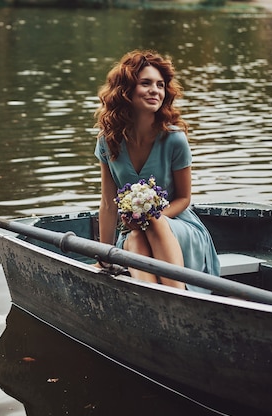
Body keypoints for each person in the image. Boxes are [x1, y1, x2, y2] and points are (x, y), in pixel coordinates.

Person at [94, 49, 220, 291]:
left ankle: (179, 296)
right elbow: (109, 204)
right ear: (126, 90)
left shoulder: (174, 139)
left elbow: (184, 198)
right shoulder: (107, 141)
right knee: (136, 237)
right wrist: (103, 254)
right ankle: (155, 302)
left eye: (160, 85)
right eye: (146, 83)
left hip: (178, 227)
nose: (155, 90)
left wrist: (151, 217)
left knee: (153, 223)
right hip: (134, 232)